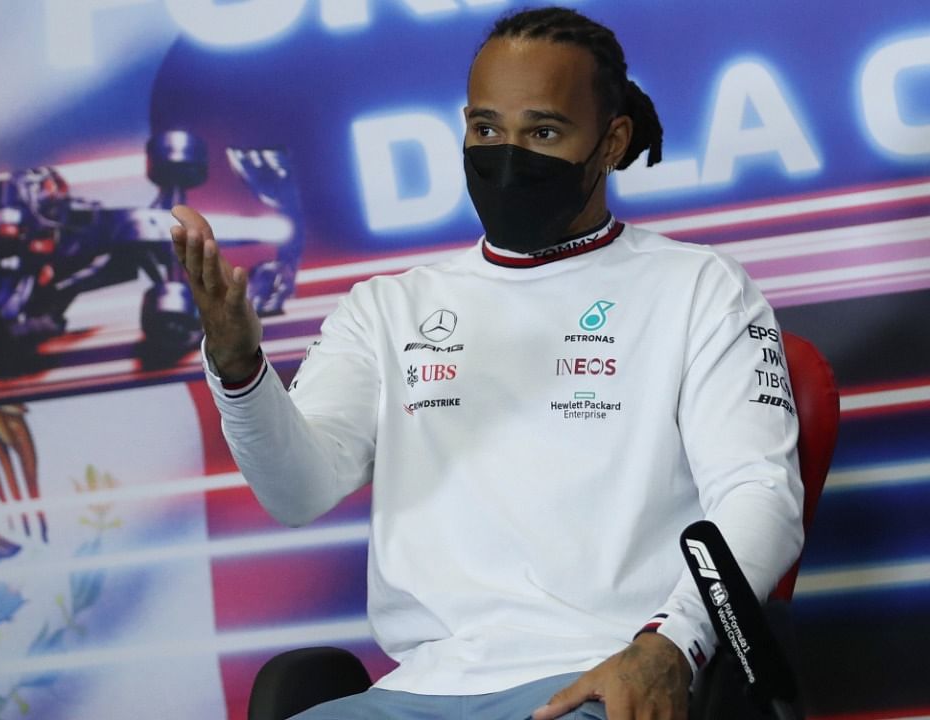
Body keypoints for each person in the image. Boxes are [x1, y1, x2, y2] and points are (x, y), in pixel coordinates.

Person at [172, 6, 803, 719]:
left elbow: (762, 501)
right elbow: (297, 492)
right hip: (416, 692)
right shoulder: (388, 307)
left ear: (611, 140)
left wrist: (670, 646)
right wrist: (238, 366)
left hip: (599, 681)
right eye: (485, 129)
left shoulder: (700, 289)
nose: (507, 155)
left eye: (542, 131)